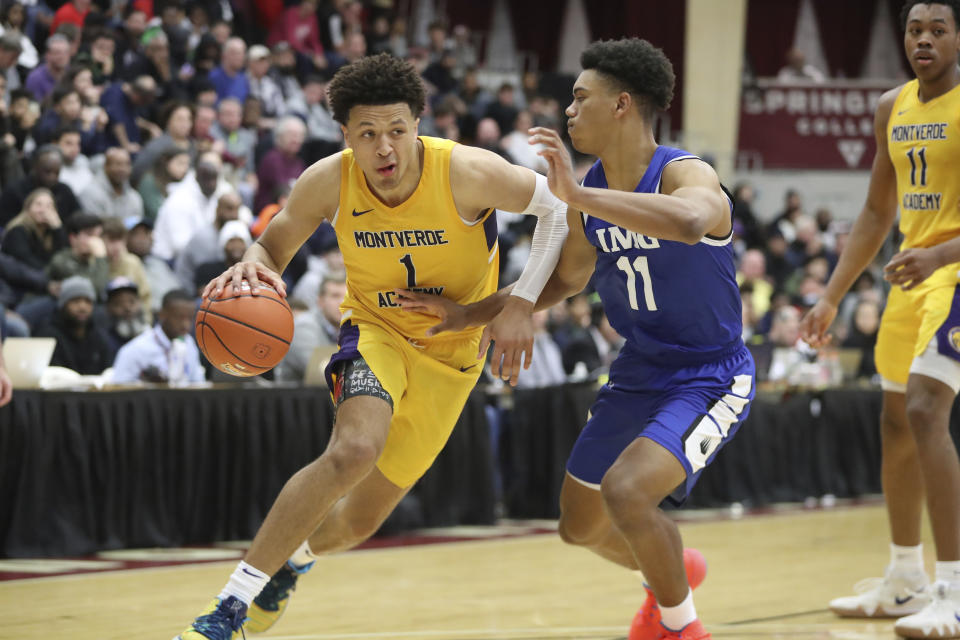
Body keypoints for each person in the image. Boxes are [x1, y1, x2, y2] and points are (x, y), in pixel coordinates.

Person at [174, 51, 567, 639]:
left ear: (418, 124)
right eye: (368, 134)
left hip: (453, 352)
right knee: (354, 449)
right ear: (345, 136)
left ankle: (297, 560)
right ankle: (228, 609)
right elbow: (273, 245)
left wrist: (516, 304)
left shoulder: (467, 170)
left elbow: (559, 214)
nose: (385, 148)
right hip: (375, 331)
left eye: (397, 131)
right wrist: (250, 268)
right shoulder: (328, 179)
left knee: (359, 520)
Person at [399, 38, 753, 640]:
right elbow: (564, 278)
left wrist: (580, 197)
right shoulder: (587, 190)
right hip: (640, 368)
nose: (567, 110)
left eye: (579, 98)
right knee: (580, 525)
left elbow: (694, 222)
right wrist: (471, 315)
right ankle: (672, 573)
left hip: (709, 374)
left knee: (629, 493)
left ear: (621, 105)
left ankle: (680, 626)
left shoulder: (682, 171)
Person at [800, 2, 960, 636]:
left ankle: (953, 587)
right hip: (910, 275)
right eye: (914, 30)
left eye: (938, 30)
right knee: (895, 421)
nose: (923, 40)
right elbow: (874, 213)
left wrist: (940, 255)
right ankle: (904, 580)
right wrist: (833, 294)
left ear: (959, 37)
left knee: (925, 410)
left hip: (954, 272)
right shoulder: (892, 106)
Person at [111, 289, 205, 384]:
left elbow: (198, 384)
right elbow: (118, 391)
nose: (186, 325)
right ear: (162, 314)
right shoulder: (135, 350)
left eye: (190, 318)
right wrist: (148, 386)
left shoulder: (189, 342)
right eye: (179, 317)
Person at [34, 275, 114, 374]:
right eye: (75, 301)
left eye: (87, 301)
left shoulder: (99, 336)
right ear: (63, 305)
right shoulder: (48, 335)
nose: (82, 307)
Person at [275, 272, 346, 382]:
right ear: (320, 301)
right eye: (335, 296)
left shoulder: (352, 328)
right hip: (296, 397)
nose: (342, 303)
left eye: (347, 297)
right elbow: (323, 375)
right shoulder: (303, 326)